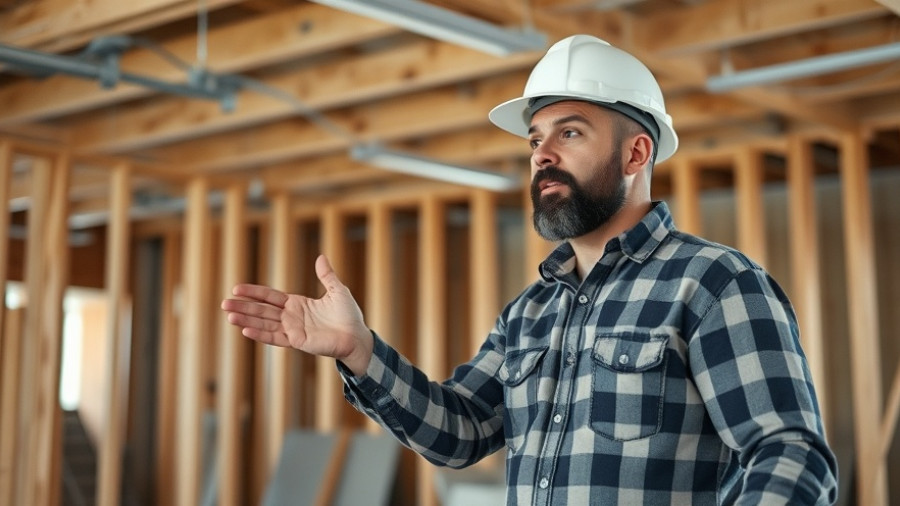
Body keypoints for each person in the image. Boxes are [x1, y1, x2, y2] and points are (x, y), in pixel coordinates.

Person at [222, 34, 838, 505]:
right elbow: (460, 432)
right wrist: (360, 352)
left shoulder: (713, 285)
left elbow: (790, 454)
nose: (542, 153)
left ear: (636, 151)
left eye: (569, 133)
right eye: (536, 138)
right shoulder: (531, 312)